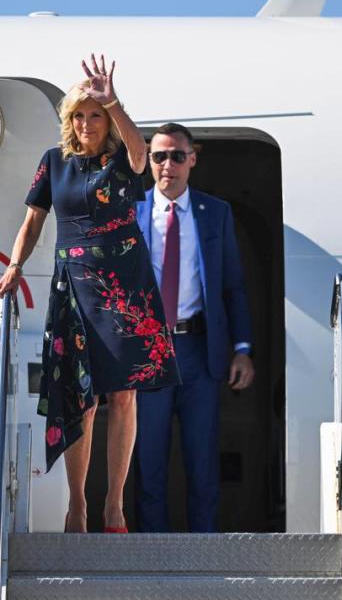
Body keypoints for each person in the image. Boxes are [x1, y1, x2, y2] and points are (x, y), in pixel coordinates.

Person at [0, 56, 181, 534]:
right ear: (68, 121)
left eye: (94, 115)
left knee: (123, 395)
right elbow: (33, 222)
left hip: (124, 283)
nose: (86, 123)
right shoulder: (53, 162)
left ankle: (114, 506)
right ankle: (77, 506)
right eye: (79, 115)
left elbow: (142, 158)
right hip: (74, 281)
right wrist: (14, 267)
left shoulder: (121, 159)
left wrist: (112, 100)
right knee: (81, 398)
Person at [134, 123, 254, 533]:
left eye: (177, 156)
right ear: (148, 160)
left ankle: (203, 550)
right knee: (149, 459)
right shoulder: (132, 212)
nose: (168, 165)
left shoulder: (215, 212)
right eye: (159, 156)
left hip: (198, 351)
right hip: (148, 353)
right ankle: (151, 556)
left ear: (193, 159)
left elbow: (233, 284)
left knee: (201, 458)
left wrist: (242, 348)